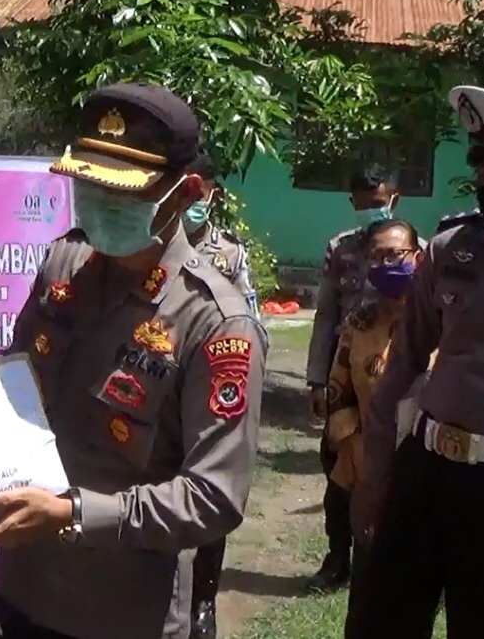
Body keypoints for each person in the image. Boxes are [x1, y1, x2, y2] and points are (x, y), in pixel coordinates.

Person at [0, 83, 268, 639]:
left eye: (123, 195)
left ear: (185, 193)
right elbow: (13, 392)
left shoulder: (216, 323)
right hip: (19, 591)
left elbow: (214, 496)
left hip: (121, 613)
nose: (100, 205)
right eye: (88, 184)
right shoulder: (65, 264)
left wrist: (75, 513)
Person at [348, 85, 484, 639]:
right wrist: (375, 477)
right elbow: (401, 367)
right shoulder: (452, 248)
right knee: (378, 626)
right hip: (422, 473)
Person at [304, 164, 411, 591]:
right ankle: (337, 558)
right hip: (345, 376)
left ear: (394, 200)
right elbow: (326, 311)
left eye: (379, 204)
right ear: (353, 205)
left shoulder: (410, 246)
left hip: (399, 373)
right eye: (364, 206)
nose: (373, 212)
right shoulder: (341, 248)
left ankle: (392, 560)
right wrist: (316, 380)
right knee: (338, 468)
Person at [324, 219, 433, 589]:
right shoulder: (359, 322)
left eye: (396, 255)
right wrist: (352, 445)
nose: (387, 264)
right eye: (377, 257)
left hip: (426, 469)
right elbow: (338, 391)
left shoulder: (442, 323)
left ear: (418, 258)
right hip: (364, 463)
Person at [183, 153, 258, 638]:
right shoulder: (144, 246)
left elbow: (252, 327)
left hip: (211, 392)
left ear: (213, 193)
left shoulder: (229, 255)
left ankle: (203, 601)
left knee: (209, 494)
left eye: (202, 191)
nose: (195, 202)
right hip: (159, 388)